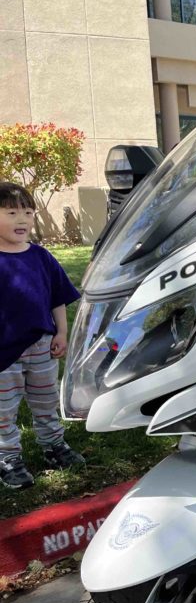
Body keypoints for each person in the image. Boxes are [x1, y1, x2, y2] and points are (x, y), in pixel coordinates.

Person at [0, 182, 85, 490]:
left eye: (28, 212)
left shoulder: (41, 257)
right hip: (4, 354)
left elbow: (57, 298)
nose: (22, 219)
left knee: (45, 401)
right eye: (11, 212)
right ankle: (8, 457)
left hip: (42, 347)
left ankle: (54, 447)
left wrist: (61, 331)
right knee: (4, 410)